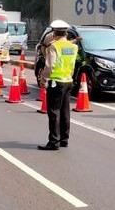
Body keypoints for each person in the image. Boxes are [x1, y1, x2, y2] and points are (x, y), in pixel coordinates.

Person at [38, 19, 78, 151]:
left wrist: (43, 80)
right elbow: (72, 65)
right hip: (68, 81)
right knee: (65, 111)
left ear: (55, 34)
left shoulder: (54, 46)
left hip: (56, 82)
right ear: (66, 34)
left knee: (54, 112)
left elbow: (50, 66)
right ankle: (64, 140)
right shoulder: (73, 47)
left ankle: (54, 141)